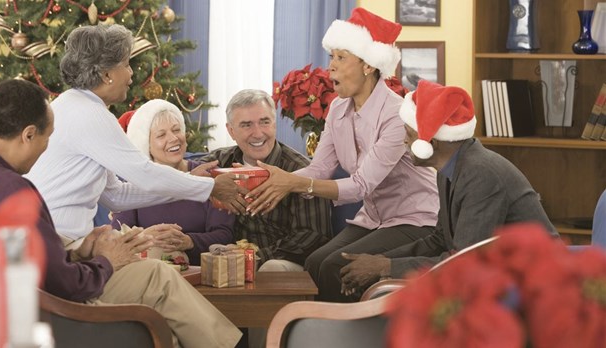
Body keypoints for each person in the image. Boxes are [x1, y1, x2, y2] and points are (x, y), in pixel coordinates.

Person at [0, 79, 242, 347]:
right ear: (28, 135)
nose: (47, 149)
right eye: (48, 138)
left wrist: (80, 252)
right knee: (158, 278)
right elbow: (66, 285)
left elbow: (30, 263)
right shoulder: (13, 190)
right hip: (53, 313)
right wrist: (108, 260)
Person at [246, 8, 439, 302]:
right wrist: (269, 180)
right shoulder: (337, 108)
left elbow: (362, 185)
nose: (330, 67)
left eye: (340, 57)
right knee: (314, 263)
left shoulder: (396, 114)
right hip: (374, 217)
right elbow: (319, 167)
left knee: (336, 267)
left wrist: (292, 183)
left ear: (368, 65)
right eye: (331, 57)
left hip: (415, 221)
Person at [25, 24, 247, 248]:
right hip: (52, 244)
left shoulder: (78, 105)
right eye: (126, 64)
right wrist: (208, 187)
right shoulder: (89, 113)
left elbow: (116, 196)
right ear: (107, 74)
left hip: (54, 240)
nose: (131, 74)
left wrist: (195, 182)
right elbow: (144, 173)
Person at [339, 80, 559, 295]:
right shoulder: (452, 166)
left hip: (534, 286)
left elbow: (465, 264)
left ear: (430, 143)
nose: (404, 141)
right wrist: (383, 262)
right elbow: (439, 240)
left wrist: (384, 268)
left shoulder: (481, 174)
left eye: (408, 133)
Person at [201, 89, 332, 272]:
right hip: (229, 258)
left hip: (282, 260)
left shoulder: (301, 169)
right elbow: (181, 175)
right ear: (231, 131)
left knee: (271, 268)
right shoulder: (220, 162)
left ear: (274, 124)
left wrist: (256, 257)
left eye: (264, 122)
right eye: (246, 125)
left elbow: (313, 235)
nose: (258, 133)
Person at [111, 99, 235, 266]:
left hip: (205, 270)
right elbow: (118, 238)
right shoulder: (132, 183)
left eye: (176, 130)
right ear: (146, 144)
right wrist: (146, 237)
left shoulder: (209, 176)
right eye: (161, 135)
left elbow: (225, 235)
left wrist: (188, 241)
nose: (173, 138)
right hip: (148, 269)